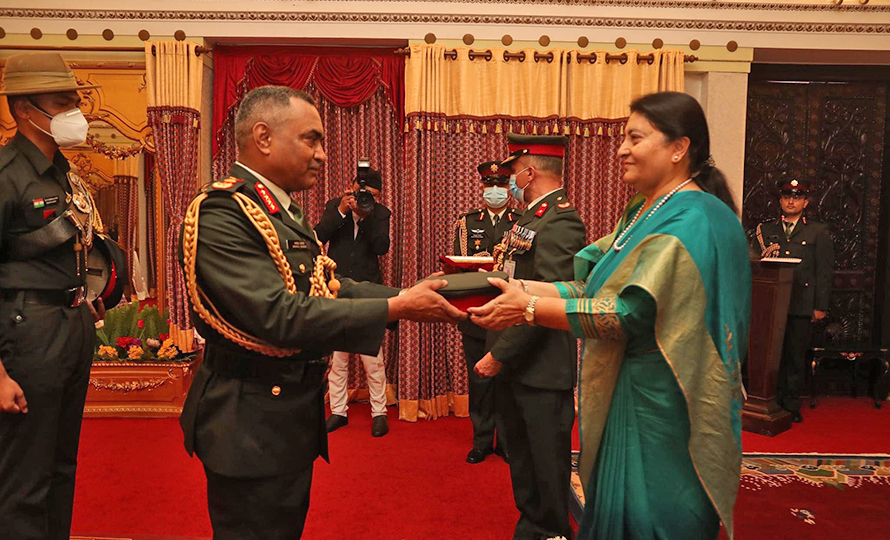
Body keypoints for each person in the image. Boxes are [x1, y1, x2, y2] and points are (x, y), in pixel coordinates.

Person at [178, 85, 465, 540]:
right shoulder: (222, 211)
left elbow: (327, 285)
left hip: (285, 416)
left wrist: (406, 296)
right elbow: (280, 316)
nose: (323, 155)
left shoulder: (281, 212)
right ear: (264, 137)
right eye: (311, 139)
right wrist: (398, 305)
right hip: (247, 421)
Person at [470, 92, 751, 540]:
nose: (620, 148)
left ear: (679, 148)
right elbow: (593, 282)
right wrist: (522, 288)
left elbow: (626, 314)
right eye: (623, 137)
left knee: (653, 514)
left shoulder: (695, 219)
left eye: (634, 137)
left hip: (667, 399)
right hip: (626, 387)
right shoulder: (644, 210)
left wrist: (526, 308)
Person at [0, 52, 105, 540]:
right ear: (24, 109)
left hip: (72, 324)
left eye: (74, 103)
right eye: (61, 103)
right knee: (26, 476)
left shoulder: (64, 173)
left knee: (62, 466)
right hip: (28, 331)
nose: (74, 114)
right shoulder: (6, 174)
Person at [474, 134, 587, 540]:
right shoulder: (529, 217)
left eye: (513, 173)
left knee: (545, 466)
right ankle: (533, 527)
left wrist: (499, 355)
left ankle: (553, 532)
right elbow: (513, 279)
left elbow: (550, 298)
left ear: (529, 171)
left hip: (539, 368)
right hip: (517, 363)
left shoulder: (561, 220)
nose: (510, 182)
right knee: (522, 462)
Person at [315, 167, 392, 437]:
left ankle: (379, 412)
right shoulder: (335, 207)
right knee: (338, 357)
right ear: (351, 189)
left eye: (371, 195)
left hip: (368, 291)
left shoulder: (381, 213)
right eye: (362, 194)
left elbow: (382, 247)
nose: (365, 198)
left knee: (373, 358)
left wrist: (367, 216)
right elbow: (318, 236)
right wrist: (342, 212)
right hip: (336, 288)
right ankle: (338, 411)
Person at [452, 160, 520, 463]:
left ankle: (506, 441)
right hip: (478, 312)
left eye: (501, 185)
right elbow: (458, 267)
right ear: (482, 188)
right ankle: (481, 440)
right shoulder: (466, 223)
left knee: (506, 379)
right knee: (479, 380)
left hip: (509, 312)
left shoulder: (522, 222)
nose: (495, 191)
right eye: (490, 185)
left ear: (509, 188)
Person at [755, 178, 834, 423]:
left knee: (794, 356)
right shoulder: (766, 230)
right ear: (780, 201)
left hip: (801, 302)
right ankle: (770, 401)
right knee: (771, 355)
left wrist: (820, 306)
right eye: (787, 196)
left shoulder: (817, 231)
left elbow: (824, 271)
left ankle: (790, 404)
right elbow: (759, 266)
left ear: (805, 202)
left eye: (797, 197)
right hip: (772, 304)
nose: (791, 201)